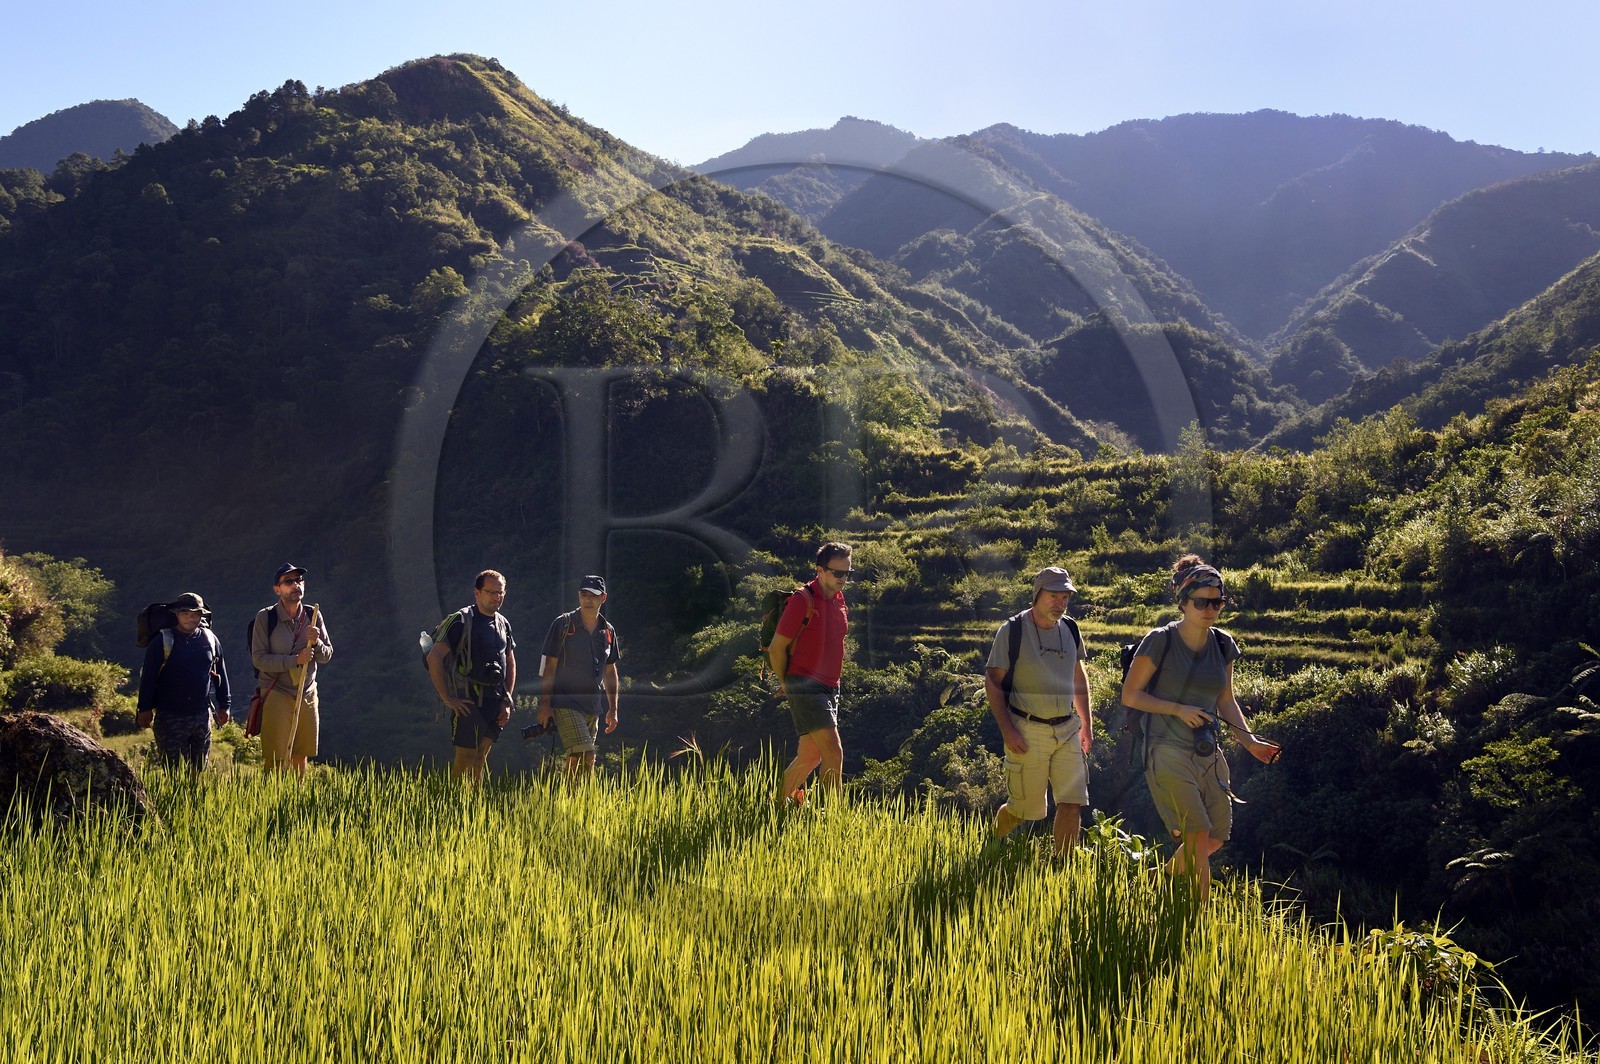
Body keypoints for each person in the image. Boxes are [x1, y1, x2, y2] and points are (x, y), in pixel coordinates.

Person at [1121, 554, 1281, 900]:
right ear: (1183, 602)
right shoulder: (1159, 640)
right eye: (1201, 601)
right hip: (1165, 749)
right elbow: (1131, 695)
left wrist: (1250, 742)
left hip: (1207, 750)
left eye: (1217, 602)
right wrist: (1178, 709)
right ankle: (1199, 917)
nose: (1210, 608)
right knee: (1196, 832)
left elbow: (1226, 700)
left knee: (1215, 837)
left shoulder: (1223, 644)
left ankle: (1156, 878)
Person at [984, 566, 1093, 856]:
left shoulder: (1070, 628)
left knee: (1072, 803)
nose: (1060, 603)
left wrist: (1086, 725)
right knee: (1025, 811)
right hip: (1027, 729)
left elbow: (1078, 676)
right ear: (1037, 594)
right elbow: (993, 683)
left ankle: (1063, 865)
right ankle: (992, 843)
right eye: (1053, 596)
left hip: (1068, 728)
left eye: (1065, 597)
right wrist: (1008, 730)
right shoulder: (1013, 630)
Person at [769, 542, 852, 804]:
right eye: (837, 573)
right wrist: (787, 682)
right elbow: (776, 648)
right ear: (820, 570)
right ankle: (836, 817)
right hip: (805, 683)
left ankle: (776, 805)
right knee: (833, 750)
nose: (842, 579)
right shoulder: (801, 601)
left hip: (830, 686)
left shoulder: (839, 599)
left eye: (847, 573)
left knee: (810, 756)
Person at [426, 570, 517, 783]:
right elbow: (434, 658)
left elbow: (510, 662)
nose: (497, 597)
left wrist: (507, 699)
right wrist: (448, 698)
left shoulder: (503, 624)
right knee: (466, 756)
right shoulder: (460, 620)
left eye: (501, 593)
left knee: (480, 756)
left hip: (495, 699)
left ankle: (474, 805)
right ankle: (455, 805)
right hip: (467, 699)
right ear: (477, 593)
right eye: (491, 592)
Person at [249, 563, 332, 779]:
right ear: (277, 589)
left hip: (307, 692)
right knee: (275, 756)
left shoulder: (313, 615)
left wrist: (316, 644)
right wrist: (295, 660)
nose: (296, 585)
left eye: (299, 580)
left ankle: (295, 799)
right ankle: (272, 799)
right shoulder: (266, 618)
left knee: (300, 753)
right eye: (289, 581)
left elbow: (327, 655)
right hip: (277, 691)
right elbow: (259, 659)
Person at [535, 575, 620, 781]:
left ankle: (570, 805)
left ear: (603, 598)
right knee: (585, 754)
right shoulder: (563, 624)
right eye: (584, 594)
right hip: (565, 701)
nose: (588, 600)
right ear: (579, 596)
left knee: (581, 762)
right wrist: (545, 704)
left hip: (593, 706)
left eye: (594, 595)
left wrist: (613, 708)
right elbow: (549, 666)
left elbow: (610, 671)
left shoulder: (608, 631)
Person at [135, 592, 231, 771]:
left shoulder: (210, 640)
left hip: (202, 716)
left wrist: (225, 705)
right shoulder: (162, 641)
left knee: (199, 770)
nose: (190, 617)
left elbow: (220, 674)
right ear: (176, 614)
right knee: (175, 772)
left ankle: (195, 800)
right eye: (185, 613)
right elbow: (148, 676)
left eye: (195, 614)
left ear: (202, 616)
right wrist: (144, 708)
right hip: (170, 717)